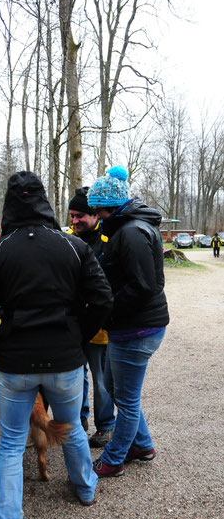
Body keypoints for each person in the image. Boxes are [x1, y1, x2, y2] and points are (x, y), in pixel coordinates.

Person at [0, 171, 113, 519]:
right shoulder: (72, 246)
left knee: (12, 442)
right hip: (63, 358)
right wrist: (77, 336)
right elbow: (103, 299)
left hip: (16, 361)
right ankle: (84, 489)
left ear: (10, 205)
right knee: (73, 426)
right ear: (44, 201)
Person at [87, 165, 169, 478]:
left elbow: (143, 286)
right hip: (131, 326)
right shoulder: (126, 226)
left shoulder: (133, 232)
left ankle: (114, 458)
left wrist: (109, 310)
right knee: (120, 390)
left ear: (112, 207)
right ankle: (142, 445)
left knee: (126, 399)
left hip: (137, 327)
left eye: (100, 211)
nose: (98, 217)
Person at [68, 187, 116, 444]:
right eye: (72, 216)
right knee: (76, 376)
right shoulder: (67, 238)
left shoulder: (108, 240)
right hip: (73, 323)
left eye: (80, 216)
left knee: (101, 379)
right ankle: (79, 420)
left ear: (94, 215)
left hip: (98, 325)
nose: (74, 221)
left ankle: (106, 426)